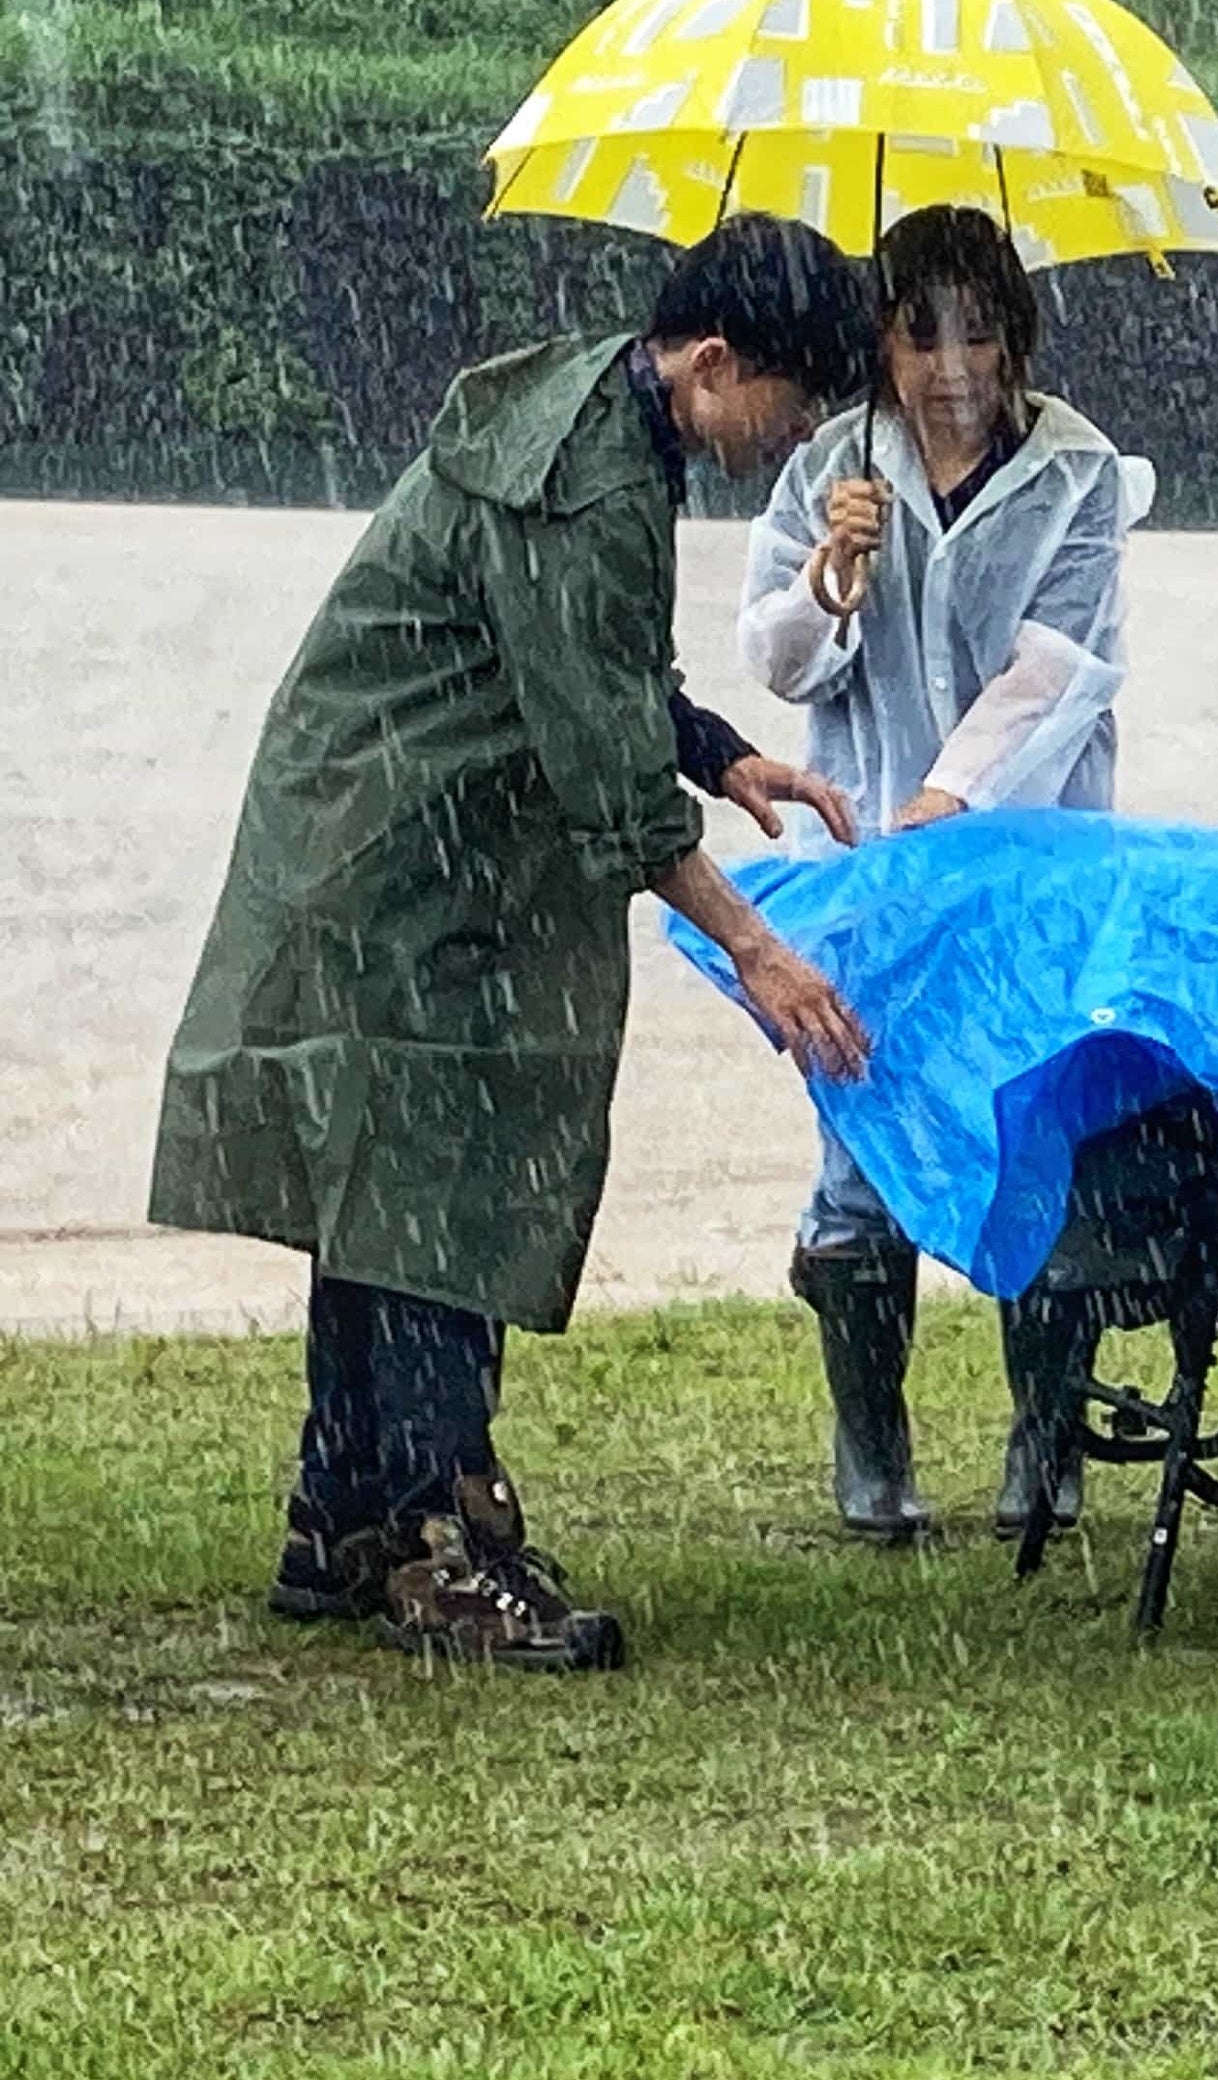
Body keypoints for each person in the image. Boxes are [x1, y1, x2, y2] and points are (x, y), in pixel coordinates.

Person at [152, 213, 880, 1675]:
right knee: (439, 1172)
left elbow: (598, 664)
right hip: (402, 857)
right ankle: (431, 1532)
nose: (788, 442)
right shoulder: (584, 480)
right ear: (714, 361)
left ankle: (341, 1517)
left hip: (390, 837)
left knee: (396, 1172)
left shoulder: (606, 412)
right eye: (788, 405)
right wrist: (758, 949)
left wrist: (724, 752)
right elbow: (604, 770)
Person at [738, 205, 1147, 1546]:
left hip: (1025, 867)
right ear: (881, 343)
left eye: (979, 329)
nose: (953, 365)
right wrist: (833, 574)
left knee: (1038, 1130)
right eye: (921, 334)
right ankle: (875, 1447)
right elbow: (781, 664)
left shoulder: (1080, 475)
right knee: (863, 1152)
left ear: (1016, 334)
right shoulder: (827, 469)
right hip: (867, 878)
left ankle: (1048, 1434)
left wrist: (947, 803)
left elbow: (1060, 669)